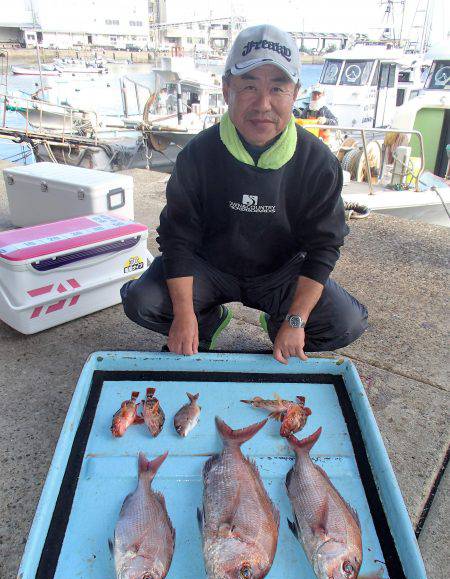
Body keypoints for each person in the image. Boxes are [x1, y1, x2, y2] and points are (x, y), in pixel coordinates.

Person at [121, 24, 368, 364]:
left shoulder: (318, 161)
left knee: (346, 323)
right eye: (249, 86)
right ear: (226, 90)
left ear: (295, 93)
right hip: (208, 267)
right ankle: (205, 323)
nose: (263, 104)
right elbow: (177, 237)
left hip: (281, 272)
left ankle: (278, 321)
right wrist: (183, 314)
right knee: (142, 301)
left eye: (278, 88)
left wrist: (296, 321)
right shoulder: (197, 154)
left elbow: (324, 246)